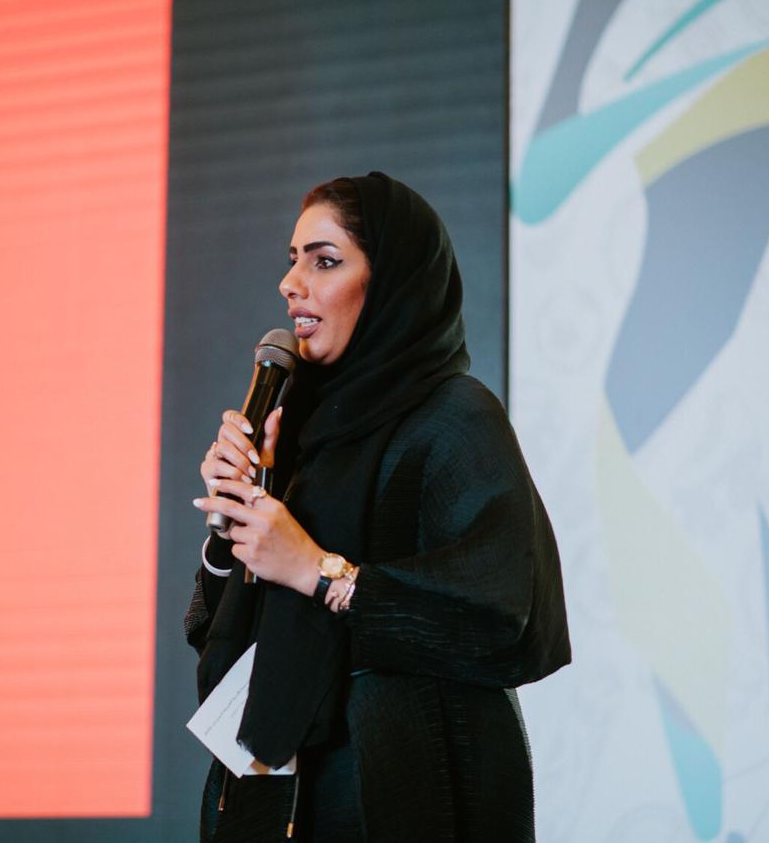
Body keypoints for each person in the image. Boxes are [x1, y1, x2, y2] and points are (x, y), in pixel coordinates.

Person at [185, 172, 570, 842]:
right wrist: (238, 514)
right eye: (293, 259)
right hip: (281, 802)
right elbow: (219, 637)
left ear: (390, 281)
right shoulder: (300, 429)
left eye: (324, 261)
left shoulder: (454, 419)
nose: (290, 283)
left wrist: (320, 573)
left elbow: (505, 615)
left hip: (411, 790)